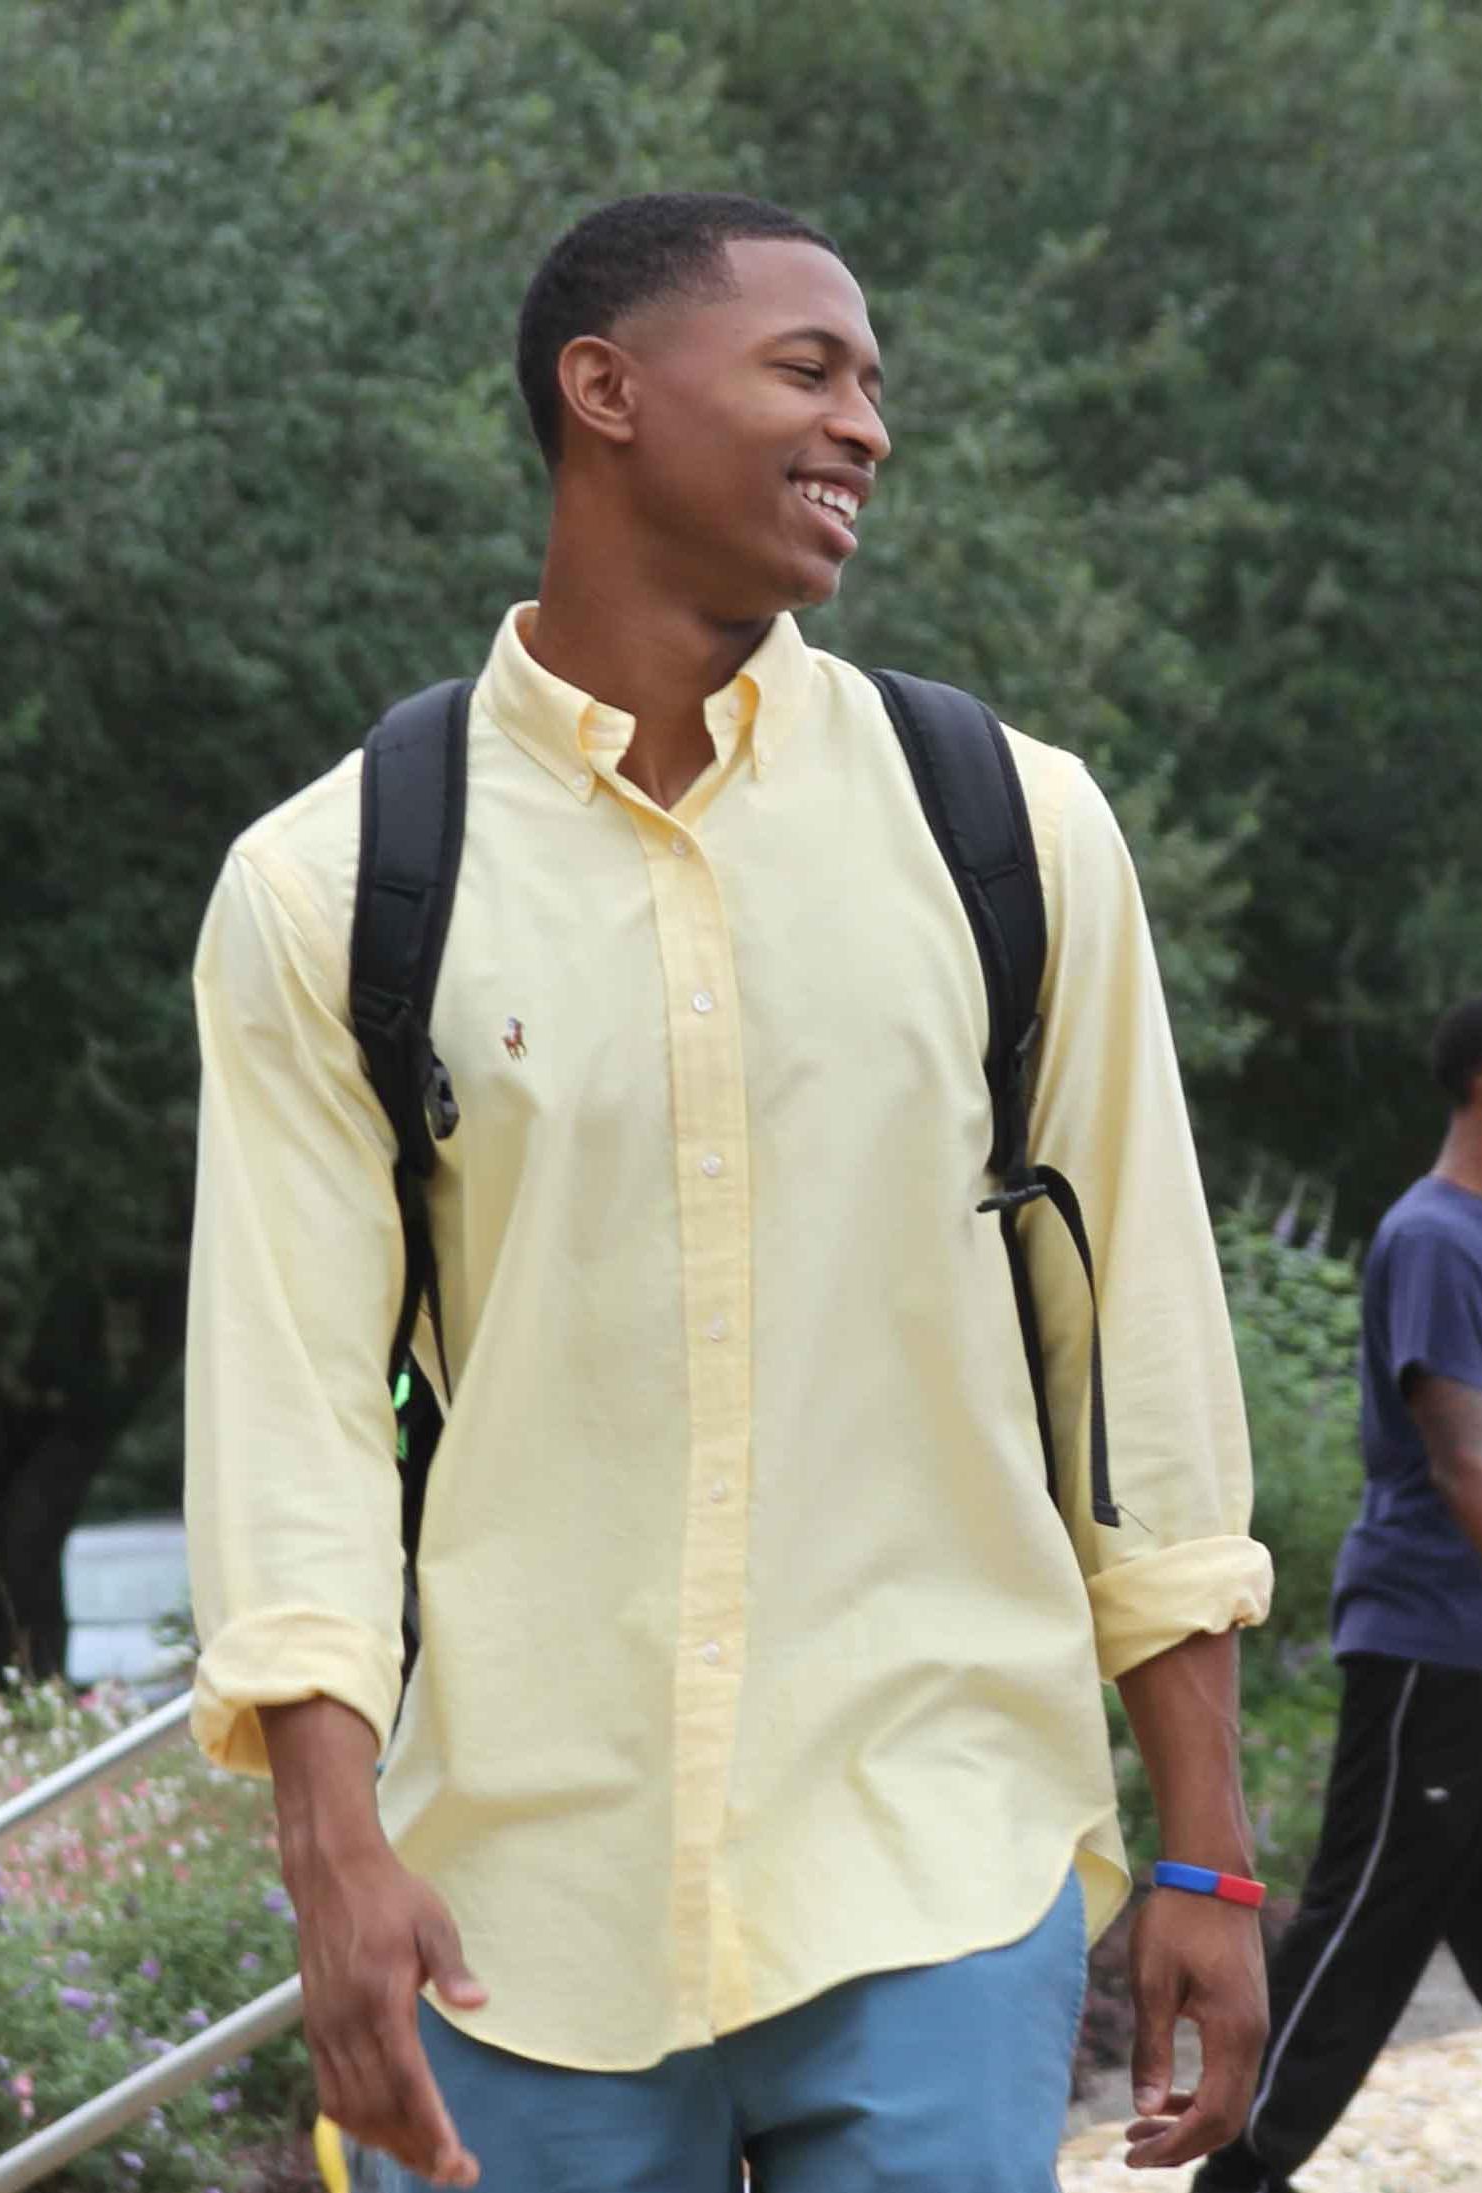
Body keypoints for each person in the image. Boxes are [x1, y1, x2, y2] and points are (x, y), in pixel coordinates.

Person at [181, 193, 1274, 2187]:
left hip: (938, 1839)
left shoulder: (1008, 828)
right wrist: (332, 1849)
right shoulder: (334, 885)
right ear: (606, 390)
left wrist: (1204, 1843)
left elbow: (1136, 1358)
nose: (866, 425)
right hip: (517, 1895)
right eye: (809, 369)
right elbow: (293, 1414)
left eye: (874, 385)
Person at [1192, 990, 1482, 2192]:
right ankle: (1234, 2181)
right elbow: (1461, 1460)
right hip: (1436, 1643)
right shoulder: (1432, 1237)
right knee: (1358, 1941)